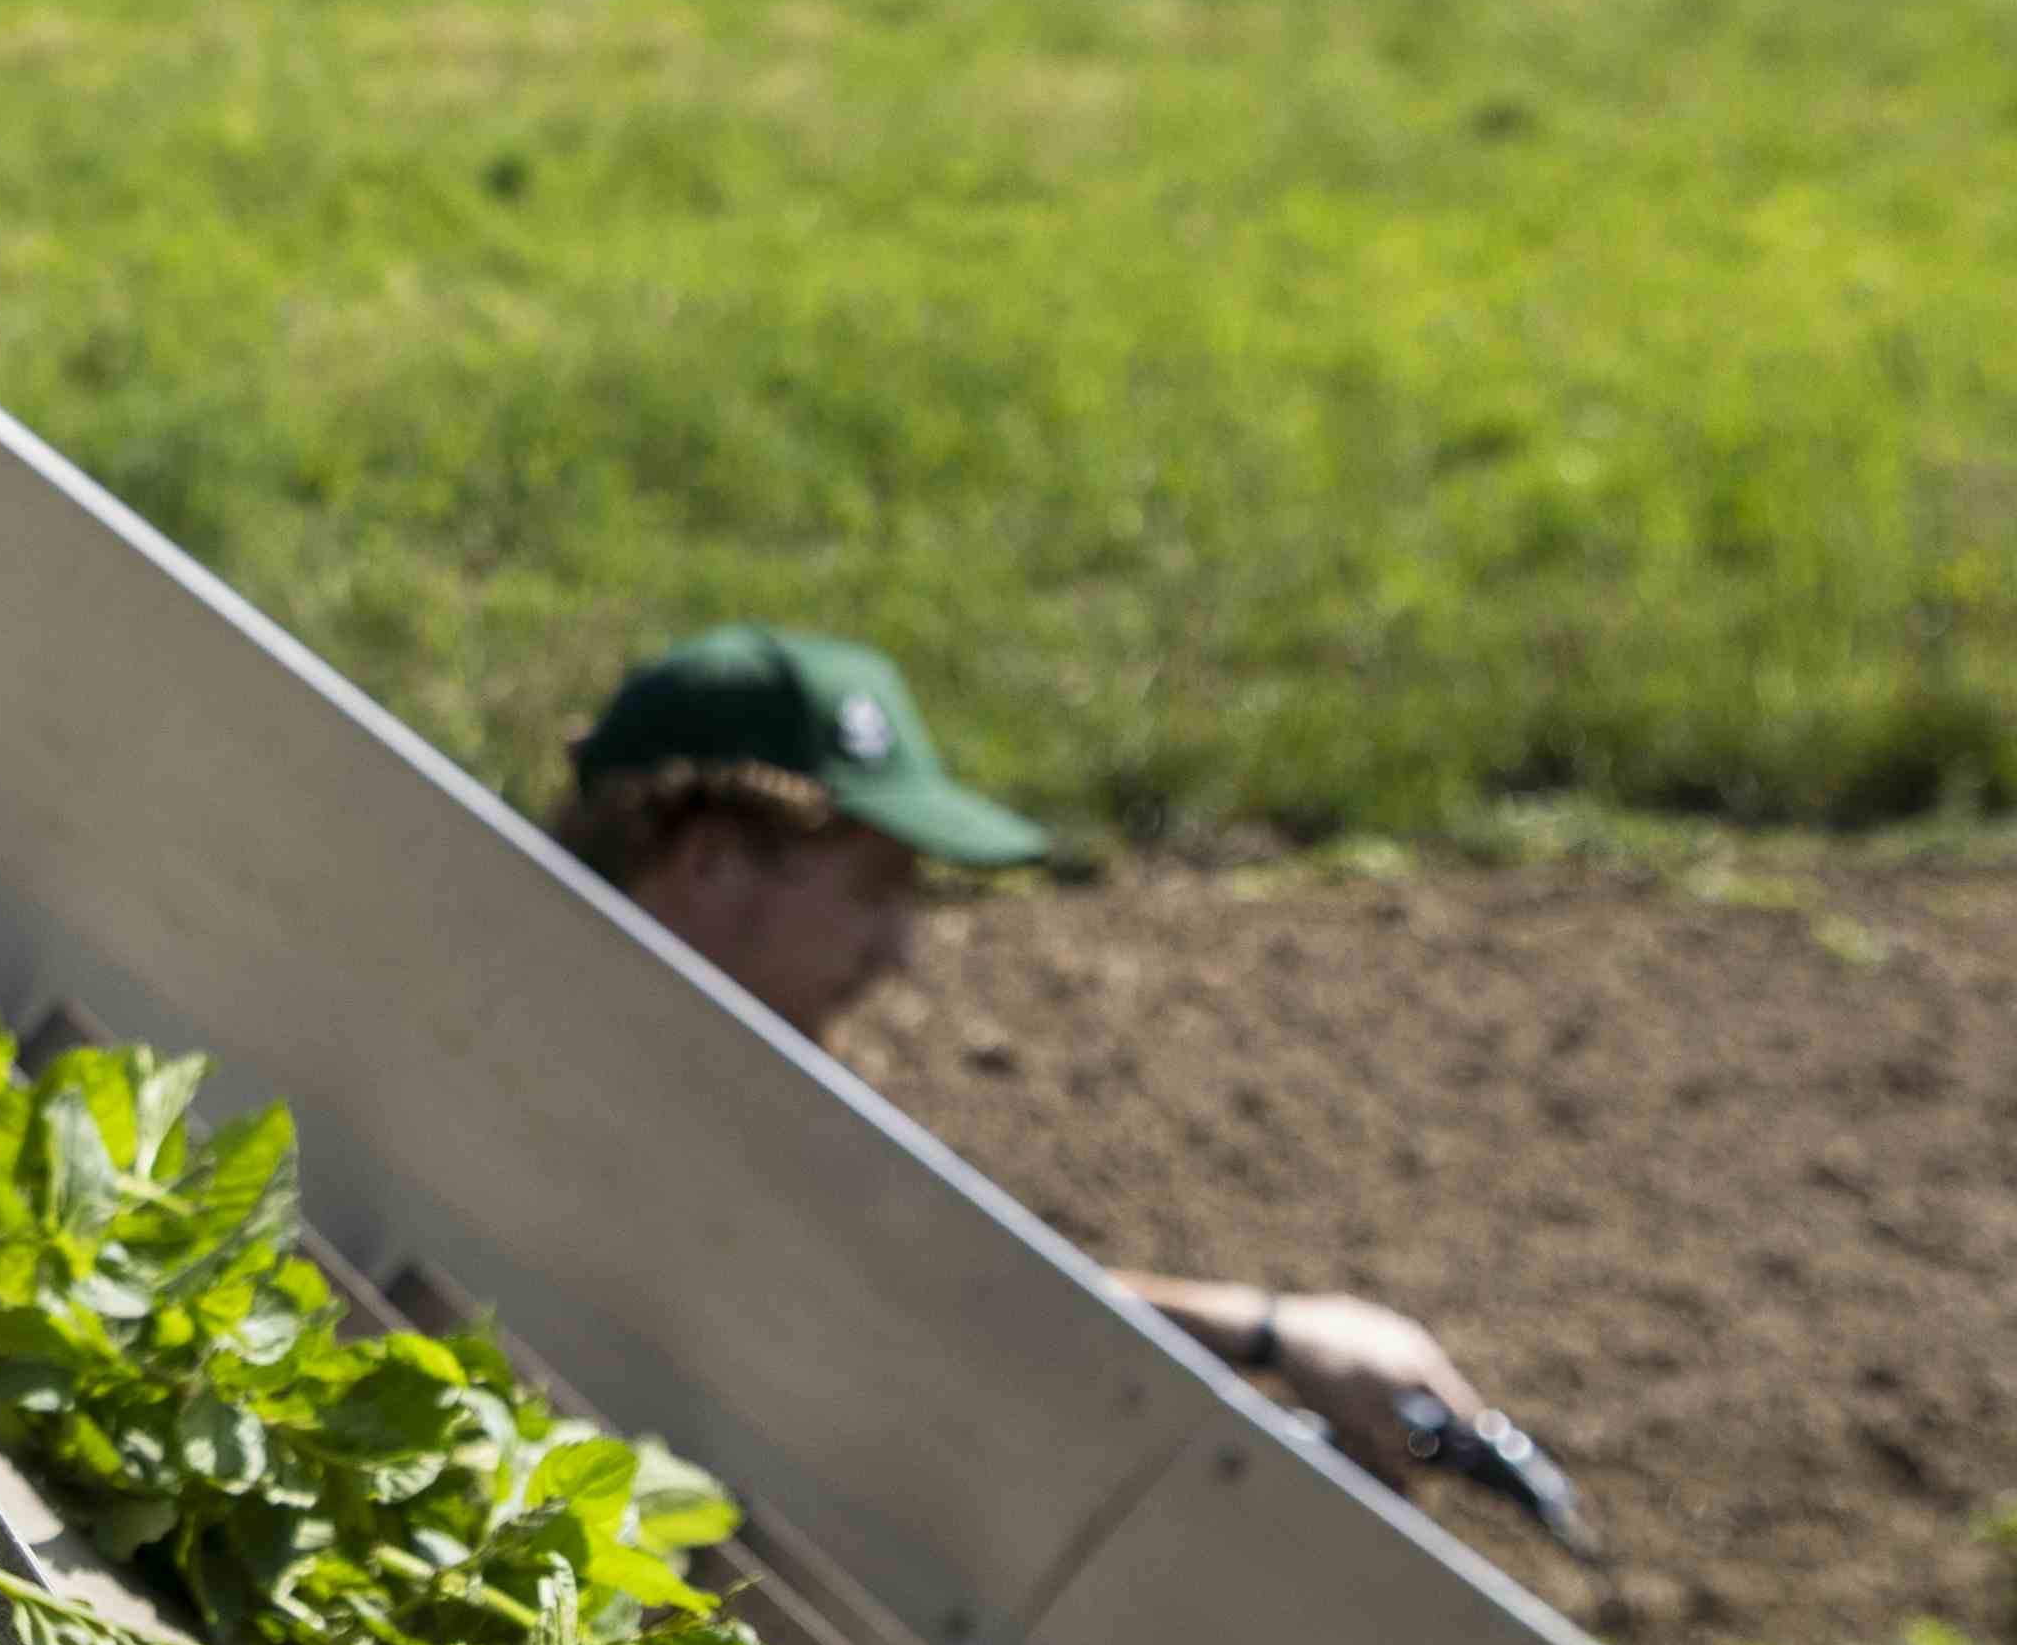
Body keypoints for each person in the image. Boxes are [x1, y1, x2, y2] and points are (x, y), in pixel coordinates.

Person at [551, 624, 1535, 1464]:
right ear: (712, 863)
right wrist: (1265, 1332)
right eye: (871, 891)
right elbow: (933, 1303)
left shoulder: (536, 1040)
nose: (897, 951)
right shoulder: (613, 1123)